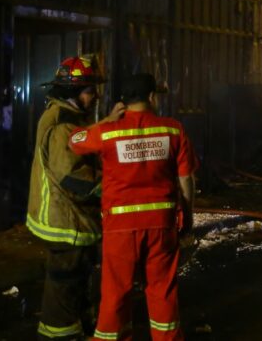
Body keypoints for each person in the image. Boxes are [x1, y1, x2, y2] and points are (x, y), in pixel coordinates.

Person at [70, 73, 198, 340]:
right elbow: (186, 179)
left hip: (120, 226)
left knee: (116, 292)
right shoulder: (173, 130)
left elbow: (75, 141)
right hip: (161, 224)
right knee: (162, 290)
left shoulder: (108, 132)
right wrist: (187, 215)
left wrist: (106, 120)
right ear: (151, 97)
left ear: (123, 102)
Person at [26, 55, 112, 340]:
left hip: (67, 219)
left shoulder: (65, 115)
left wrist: (108, 123)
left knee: (72, 287)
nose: (95, 95)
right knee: (64, 291)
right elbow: (71, 176)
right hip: (66, 222)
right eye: (89, 90)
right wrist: (112, 187)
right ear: (72, 92)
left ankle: (72, 330)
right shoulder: (63, 124)